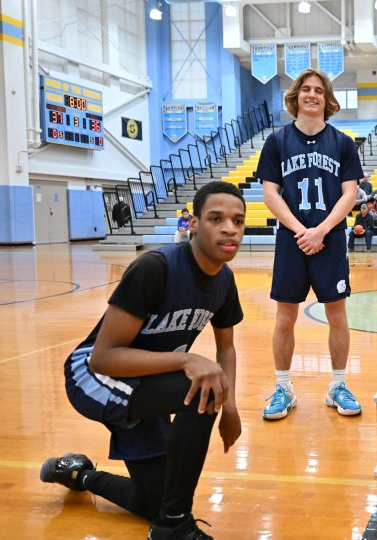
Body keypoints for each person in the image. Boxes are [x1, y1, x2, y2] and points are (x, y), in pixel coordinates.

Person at [40, 181, 247, 539]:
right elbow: (103, 359)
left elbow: (225, 348)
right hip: (92, 376)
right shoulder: (156, 268)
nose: (230, 228)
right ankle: (174, 528)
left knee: (156, 500)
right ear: (193, 223)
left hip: (145, 381)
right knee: (200, 386)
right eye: (216, 218)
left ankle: (78, 474)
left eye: (238, 221)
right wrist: (186, 362)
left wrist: (230, 409)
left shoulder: (225, 281)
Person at [259, 68, 364, 420]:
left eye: (319, 90)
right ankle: (283, 387)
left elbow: (350, 194)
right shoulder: (276, 142)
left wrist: (320, 230)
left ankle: (337, 385)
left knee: (337, 316)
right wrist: (300, 231)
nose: (312, 95)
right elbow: (269, 193)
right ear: (296, 96)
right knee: (285, 318)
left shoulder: (343, 143)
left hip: (330, 240)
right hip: (292, 241)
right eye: (306, 89)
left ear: (327, 99)